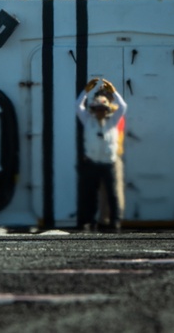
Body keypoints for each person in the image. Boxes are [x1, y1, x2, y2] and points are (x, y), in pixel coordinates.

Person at [75, 77, 127, 232]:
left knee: (113, 195)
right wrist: (85, 91)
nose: (100, 112)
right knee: (89, 194)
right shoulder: (87, 120)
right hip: (92, 163)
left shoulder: (113, 121)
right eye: (97, 108)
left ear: (107, 110)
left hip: (108, 163)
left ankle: (115, 221)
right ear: (92, 109)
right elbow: (77, 106)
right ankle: (88, 221)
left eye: (102, 109)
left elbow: (123, 106)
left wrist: (114, 92)